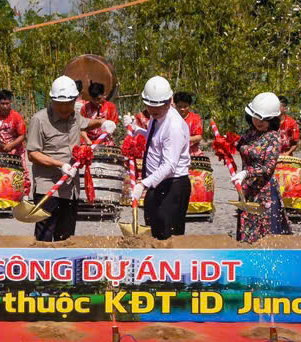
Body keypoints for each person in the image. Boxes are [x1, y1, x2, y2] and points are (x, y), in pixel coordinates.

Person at [26, 76, 116, 241]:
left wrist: (102, 123)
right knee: (44, 237)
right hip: (48, 188)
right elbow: (32, 154)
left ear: (75, 100)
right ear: (52, 100)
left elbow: (86, 123)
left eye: (68, 104)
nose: (64, 109)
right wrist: (60, 165)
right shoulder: (39, 120)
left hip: (70, 189)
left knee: (66, 238)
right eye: (59, 105)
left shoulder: (74, 116)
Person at [130, 76, 191, 240]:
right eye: (149, 106)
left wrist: (143, 183)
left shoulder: (174, 126)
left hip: (172, 186)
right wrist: (138, 131)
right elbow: (157, 141)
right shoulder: (156, 117)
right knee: (152, 232)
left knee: (168, 237)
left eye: (158, 106)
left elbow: (169, 165)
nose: (153, 110)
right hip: (156, 183)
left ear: (170, 101)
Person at [230, 92, 291, 241]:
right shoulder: (250, 133)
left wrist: (246, 172)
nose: (259, 121)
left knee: (264, 234)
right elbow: (239, 146)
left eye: (265, 119)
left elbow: (268, 168)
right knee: (247, 227)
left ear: (273, 119)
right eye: (257, 117)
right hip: (247, 188)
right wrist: (225, 145)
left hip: (264, 192)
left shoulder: (273, 138)